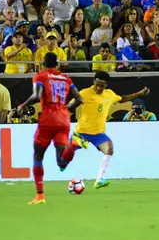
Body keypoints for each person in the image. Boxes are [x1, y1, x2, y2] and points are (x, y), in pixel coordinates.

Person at [59, 71, 150, 188]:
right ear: (93, 82)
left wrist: (139, 93)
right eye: (97, 84)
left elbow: (122, 99)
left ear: (106, 85)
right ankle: (63, 163)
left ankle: (100, 179)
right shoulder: (84, 93)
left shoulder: (109, 94)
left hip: (98, 134)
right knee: (68, 152)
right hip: (82, 132)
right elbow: (70, 106)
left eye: (101, 86)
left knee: (109, 149)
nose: (98, 87)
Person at [17, 52, 84, 205]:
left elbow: (36, 95)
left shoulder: (40, 76)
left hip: (48, 118)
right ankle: (73, 145)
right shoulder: (66, 79)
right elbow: (79, 99)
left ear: (42, 63)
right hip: (64, 119)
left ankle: (40, 195)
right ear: (58, 63)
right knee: (61, 163)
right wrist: (67, 107)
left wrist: (22, 106)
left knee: (38, 156)